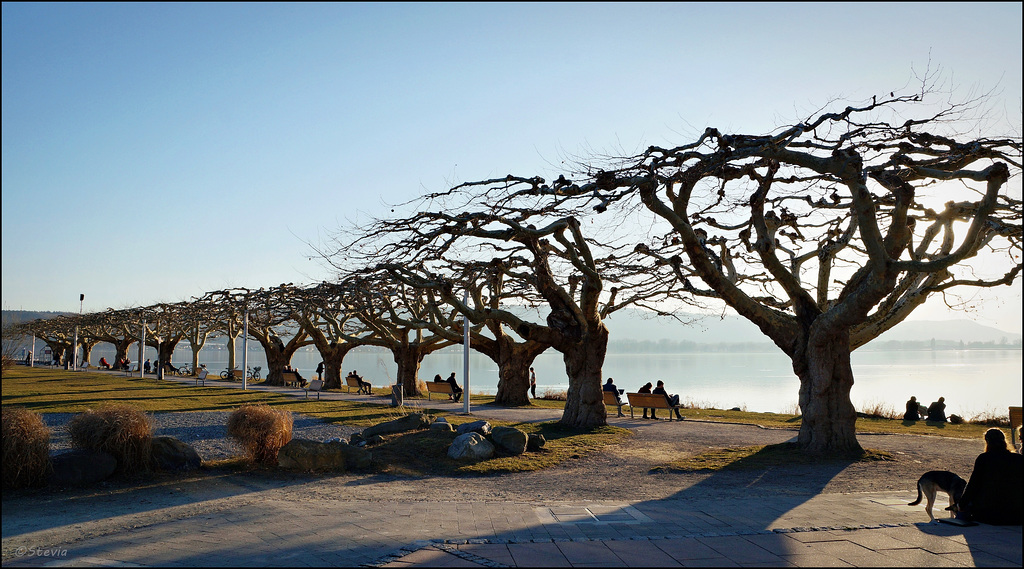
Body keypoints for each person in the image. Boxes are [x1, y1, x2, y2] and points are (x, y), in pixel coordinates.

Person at [957, 428, 1023, 525]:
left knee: (966, 507)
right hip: (1017, 515)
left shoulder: (984, 458)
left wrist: (961, 505)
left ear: (987, 441)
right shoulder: (1018, 459)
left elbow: (973, 486)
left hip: (988, 514)